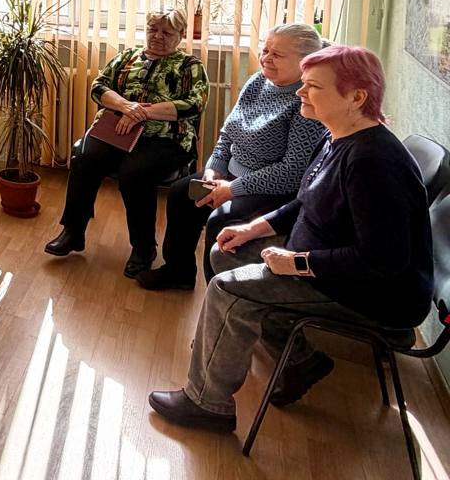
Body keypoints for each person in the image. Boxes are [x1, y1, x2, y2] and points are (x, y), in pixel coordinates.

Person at [149, 46, 433, 431]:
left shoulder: (373, 163)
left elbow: (383, 261)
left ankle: (207, 403)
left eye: (313, 86)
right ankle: (300, 360)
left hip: (373, 293)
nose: (300, 92)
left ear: (356, 97)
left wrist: (296, 264)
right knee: (225, 253)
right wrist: (254, 228)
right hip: (322, 261)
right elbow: (305, 200)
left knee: (229, 289)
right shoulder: (337, 136)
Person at [138, 23, 326, 291]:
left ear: (305, 61)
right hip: (231, 173)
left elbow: (292, 172)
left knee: (220, 219)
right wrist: (213, 169)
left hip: (271, 188)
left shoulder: (306, 102)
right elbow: (228, 132)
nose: (266, 58)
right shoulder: (258, 81)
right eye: (265, 50)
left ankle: (218, 291)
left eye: (277, 54)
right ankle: (179, 272)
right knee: (181, 193)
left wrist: (232, 189)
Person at [45, 9, 210, 278]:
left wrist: (143, 112)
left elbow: (194, 104)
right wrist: (125, 106)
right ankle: (73, 231)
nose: (158, 36)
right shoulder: (127, 57)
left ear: (181, 35)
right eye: (153, 30)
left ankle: (144, 247)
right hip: (117, 131)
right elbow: (98, 87)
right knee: (84, 157)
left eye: (166, 32)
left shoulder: (190, 66)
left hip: (167, 138)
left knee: (135, 172)